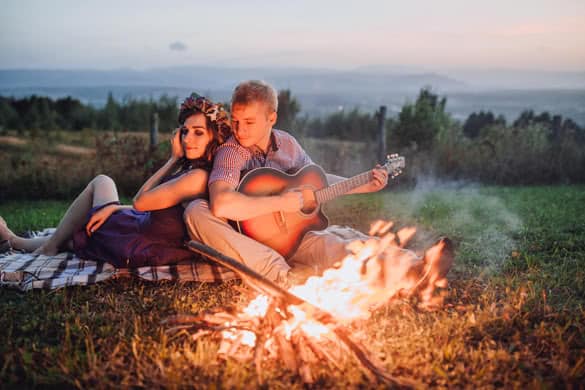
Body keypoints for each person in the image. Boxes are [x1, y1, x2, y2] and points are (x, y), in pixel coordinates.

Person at [183, 80, 453, 300]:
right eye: (236, 120)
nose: (240, 129)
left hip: (292, 234)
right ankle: (284, 279)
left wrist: (362, 184)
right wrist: (280, 203)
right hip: (251, 242)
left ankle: (415, 268)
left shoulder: (288, 144)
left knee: (344, 244)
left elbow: (316, 181)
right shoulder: (232, 152)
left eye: (249, 122)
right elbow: (222, 204)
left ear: (271, 118)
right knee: (197, 211)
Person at [0, 93, 231, 268]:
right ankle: (18, 241)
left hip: (143, 242)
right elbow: (155, 207)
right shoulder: (198, 171)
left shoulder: (197, 177)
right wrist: (116, 208)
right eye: (185, 131)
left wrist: (172, 159)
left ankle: (37, 245)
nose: (188, 138)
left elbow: (141, 201)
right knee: (80, 228)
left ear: (214, 137)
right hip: (144, 226)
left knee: (100, 185)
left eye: (198, 132)